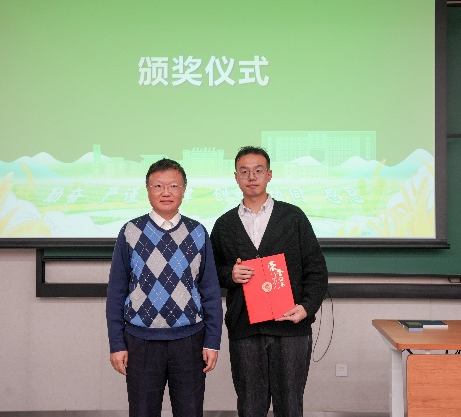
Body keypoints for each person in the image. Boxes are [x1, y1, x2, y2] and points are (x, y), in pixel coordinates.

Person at [210, 146, 328, 417]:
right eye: (244, 171)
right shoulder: (224, 225)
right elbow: (209, 272)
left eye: (258, 171)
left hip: (290, 327)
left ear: (269, 175)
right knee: (250, 405)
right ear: (236, 177)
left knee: (290, 406)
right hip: (245, 329)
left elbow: (317, 269)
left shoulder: (293, 217)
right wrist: (230, 275)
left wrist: (307, 308)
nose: (251, 177)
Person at [106, 158, 223, 417]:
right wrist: (116, 343)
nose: (166, 192)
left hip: (189, 341)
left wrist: (212, 342)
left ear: (184, 189)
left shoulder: (197, 232)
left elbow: (210, 292)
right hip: (141, 342)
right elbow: (116, 292)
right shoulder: (130, 231)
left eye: (173, 185)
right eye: (158, 186)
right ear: (147, 189)